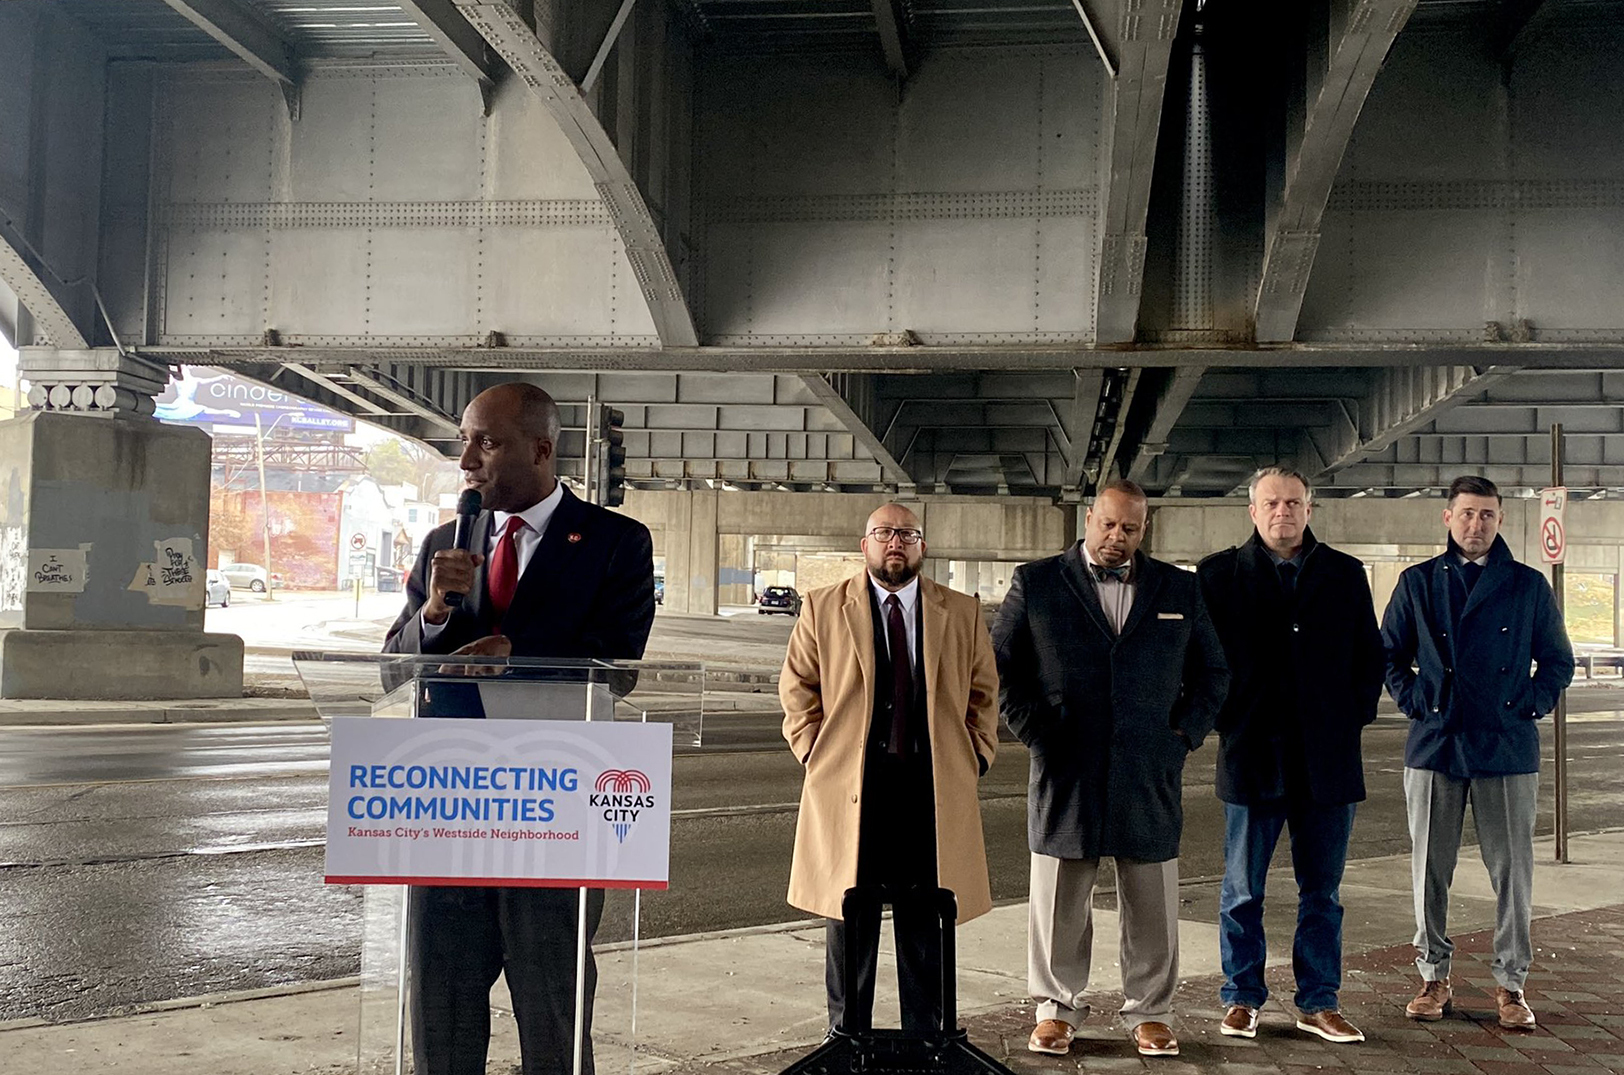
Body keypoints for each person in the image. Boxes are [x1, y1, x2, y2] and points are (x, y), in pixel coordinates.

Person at [383, 382, 656, 1075]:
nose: (466, 456)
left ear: (541, 447)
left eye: (487, 440)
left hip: (553, 811)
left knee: (550, 1014)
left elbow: (618, 660)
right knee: (441, 1015)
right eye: (465, 438)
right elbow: (395, 667)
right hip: (446, 808)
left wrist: (523, 654)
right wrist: (438, 613)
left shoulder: (616, 541)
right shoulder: (445, 544)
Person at [992, 479, 1228, 1059]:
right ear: (1088, 518)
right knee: (1059, 895)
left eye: (1129, 528)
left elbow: (1213, 673)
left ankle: (1151, 1012)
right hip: (1064, 762)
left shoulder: (1180, 588)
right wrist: (1037, 735)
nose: (1115, 538)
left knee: (1151, 898)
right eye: (1107, 524)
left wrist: (1182, 737)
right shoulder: (1038, 582)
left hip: (1149, 766)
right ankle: (1056, 1008)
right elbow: (1000, 667)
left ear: (1144, 530)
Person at [779, 502, 999, 1036]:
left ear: (921, 546)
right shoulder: (823, 607)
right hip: (854, 791)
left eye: (906, 534)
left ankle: (925, 1042)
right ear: (865, 545)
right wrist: (814, 752)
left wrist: (975, 755)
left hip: (929, 792)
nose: (894, 542)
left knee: (926, 923)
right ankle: (847, 1039)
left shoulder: (960, 612)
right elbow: (797, 689)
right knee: (850, 923)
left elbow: (984, 692)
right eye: (883, 533)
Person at [1196, 467, 1384, 1044]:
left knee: (1322, 892)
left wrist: (1347, 718)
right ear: (1253, 511)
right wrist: (1227, 719)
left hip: (1327, 761)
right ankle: (1242, 996)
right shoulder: (1218, 575)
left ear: (1310, 509)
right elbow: (1201, 661)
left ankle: (1318, 1000)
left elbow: (1368, 660)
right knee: (1242, 890)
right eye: (1272, 503)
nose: (1283, 512)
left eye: (1294, 503)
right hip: (1252, 753)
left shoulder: (1345, 574)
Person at [1383, 475, 1573, 1031]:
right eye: (1466, 514)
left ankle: (1511, 984)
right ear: (1447, 518)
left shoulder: (1528, 585)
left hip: (1506, 744)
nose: (1476, 524)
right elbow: (1388, 655)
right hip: (1435, 740)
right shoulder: (1417, 583)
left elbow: (1557, 662)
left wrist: (1526, 706)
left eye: (1486, 515)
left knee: (1513, 870)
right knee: (1428, 869)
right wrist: (1417, 699)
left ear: (1499, 520)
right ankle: (1432, 975)